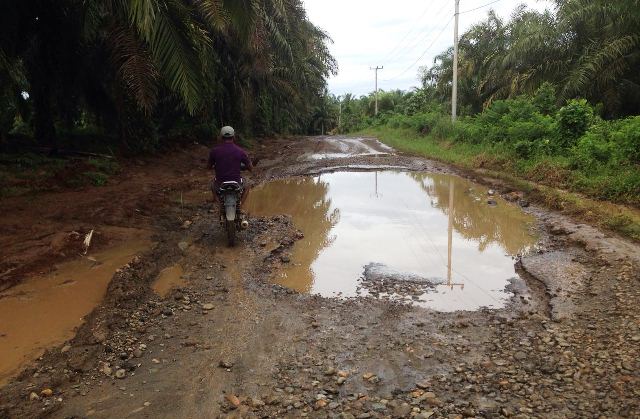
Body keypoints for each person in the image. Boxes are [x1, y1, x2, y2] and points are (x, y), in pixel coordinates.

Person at [207, 126, 253, 214]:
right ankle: (240, 206)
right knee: (247, 186)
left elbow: (208, 166)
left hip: (220, 183)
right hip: (237, 183)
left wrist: (215, 166)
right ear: (234, 137)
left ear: (221, 137)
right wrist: (246, 167)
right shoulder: (240, 151)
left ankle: (220, 206)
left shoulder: (214, 151)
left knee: (212, 186)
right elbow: (250, 167)